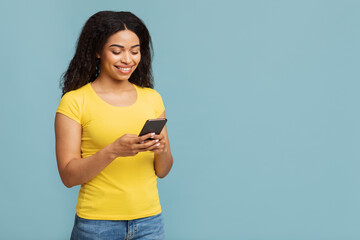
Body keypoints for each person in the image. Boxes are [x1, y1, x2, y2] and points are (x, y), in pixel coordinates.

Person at [54, 11, 173, 240]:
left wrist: (163, 150)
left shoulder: (152, 98)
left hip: (150, 222)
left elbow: (162, 170)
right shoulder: (75, 101)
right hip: (97, 225)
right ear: (98, 51)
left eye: (135, 51)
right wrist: (113, 151)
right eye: (117, 51)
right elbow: (68, 176)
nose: (127, 59)